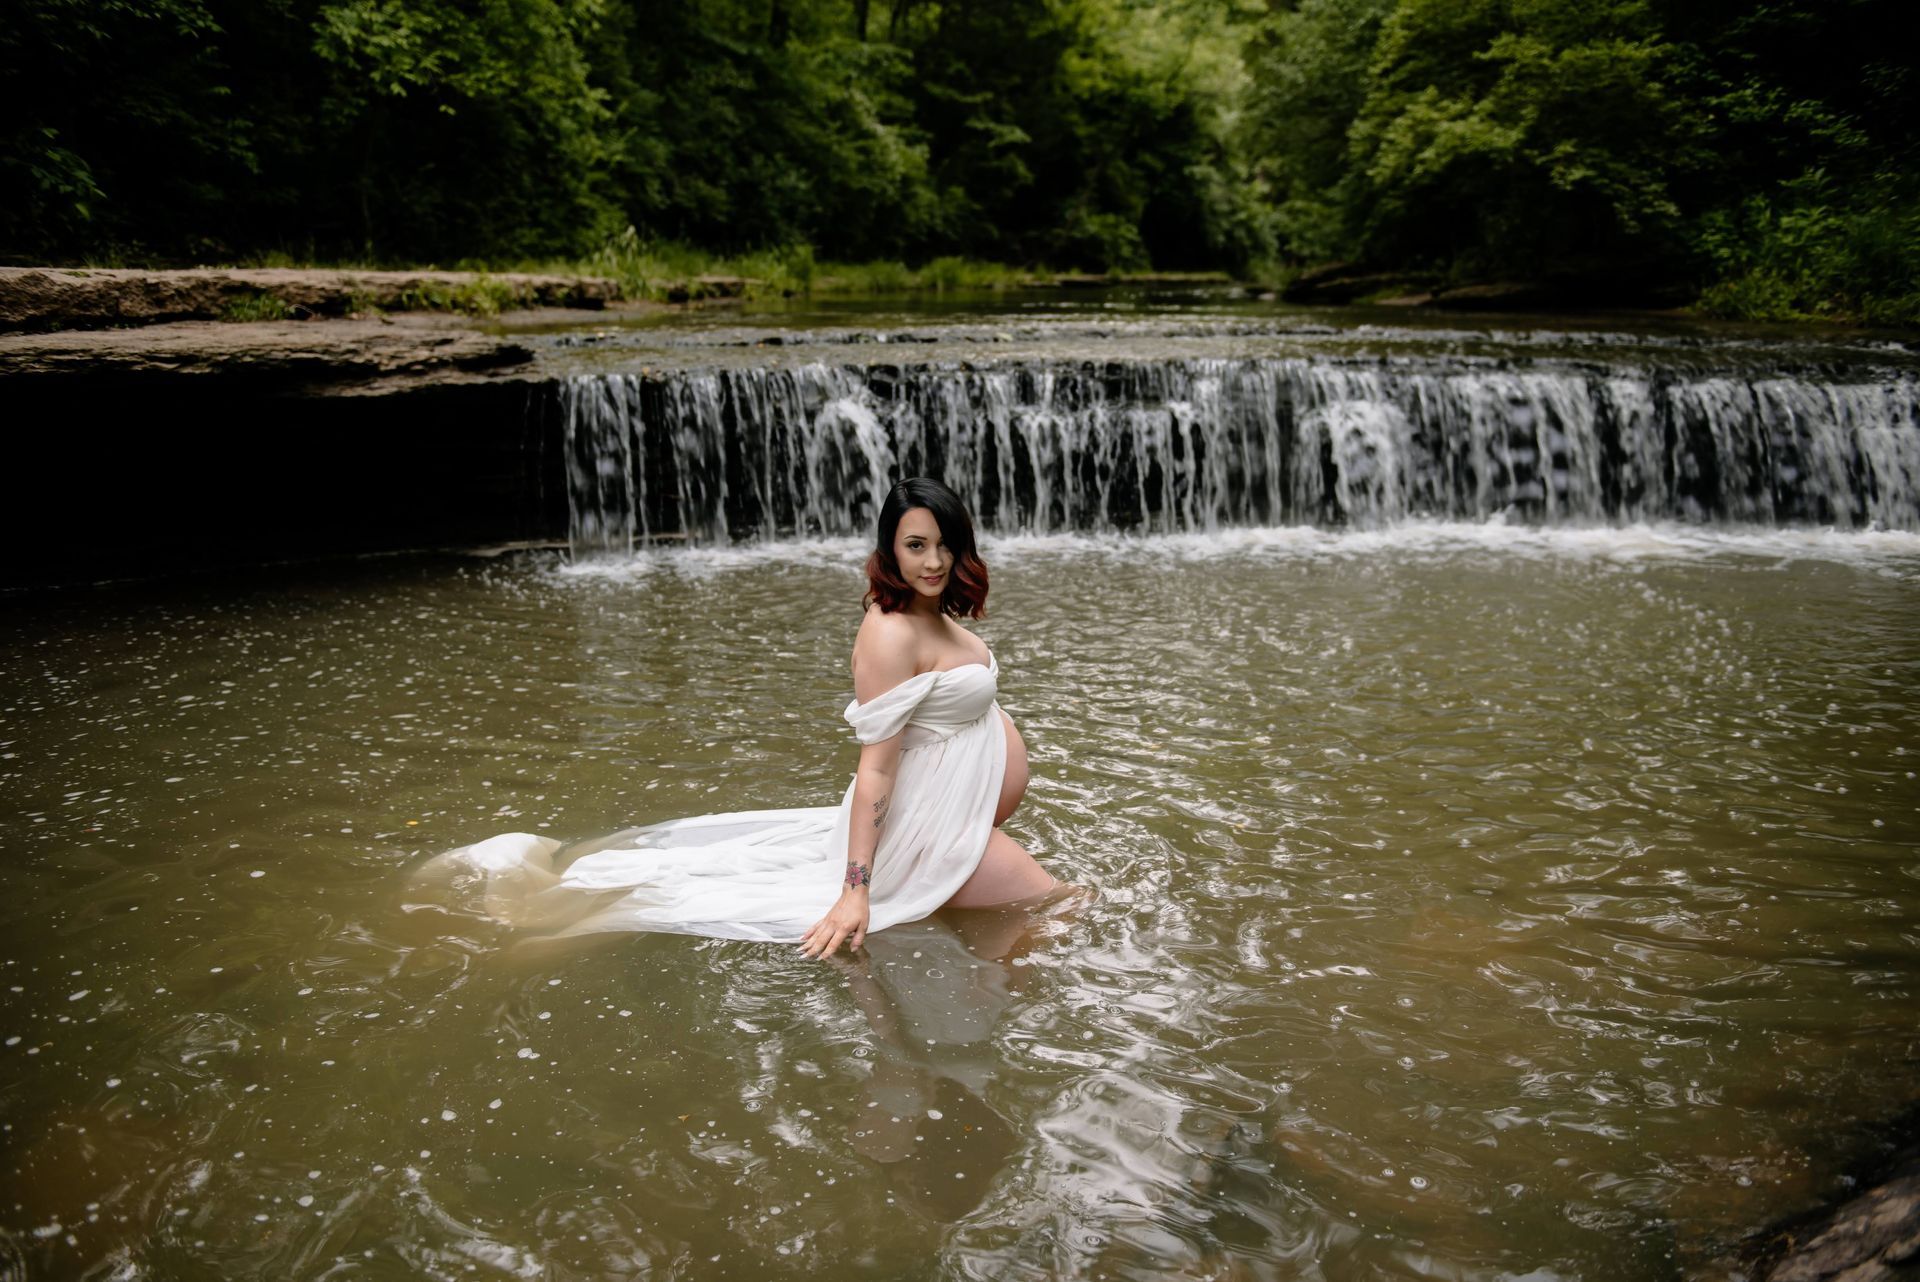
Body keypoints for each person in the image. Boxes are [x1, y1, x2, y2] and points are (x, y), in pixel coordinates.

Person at [430, 477, 1060, 956]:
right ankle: (990, 1003)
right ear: (889, 550)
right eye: (916, 546)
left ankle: (986, 989)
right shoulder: (891, 634)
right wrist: (856, 891)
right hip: (927, 838)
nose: (933, 561)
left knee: (1038, 923)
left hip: (952, 819)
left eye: (944, 545)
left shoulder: (933, 611)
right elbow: (876, 771)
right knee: (1060, 911)